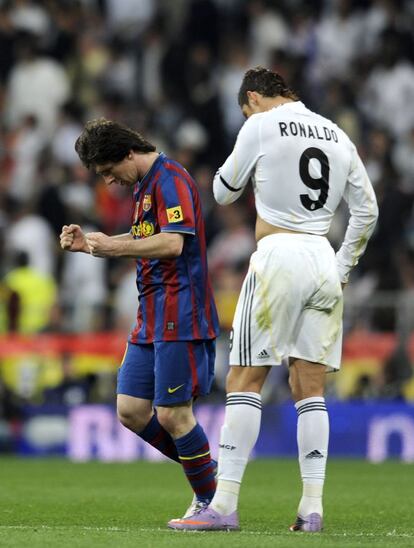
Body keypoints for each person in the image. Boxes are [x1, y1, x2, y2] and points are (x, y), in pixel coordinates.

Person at [169, 66, 379, 532]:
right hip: (323, 259)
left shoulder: (260, 124)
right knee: (311, 388)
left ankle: (222, 504)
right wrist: (342, 266)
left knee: (245, 378)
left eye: (245, 107)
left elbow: (223, 193)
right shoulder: (337, 133)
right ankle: (311, 508)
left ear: (253, 98)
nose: (246, 113)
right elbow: (368, 210)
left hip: (278, 256)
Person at [59, 119, 219, 521]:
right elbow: (144, 238)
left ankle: (210, 501)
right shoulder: (143, 187)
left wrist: (114, 249)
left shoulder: (171, 179)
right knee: (130, 410)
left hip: (180, 312)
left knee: (172, 414)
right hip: (149, 312)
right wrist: (92, 245)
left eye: (109, 171)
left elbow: (172, 242)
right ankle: (210, 475)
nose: (109, 181)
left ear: (129, 153)